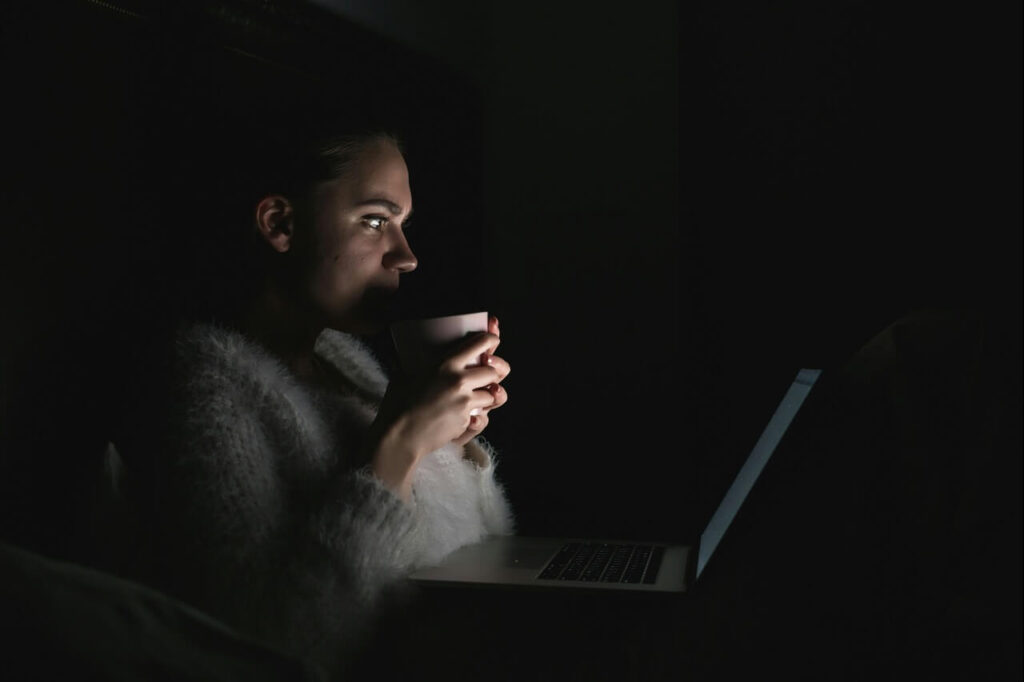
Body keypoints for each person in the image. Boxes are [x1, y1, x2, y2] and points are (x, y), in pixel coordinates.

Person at [105, 128, 514, 678]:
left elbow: (487, 551)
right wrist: (400, 446)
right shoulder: (204, 384)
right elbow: (278, 644)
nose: (407, 256)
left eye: (404, 226)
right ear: (280, 223)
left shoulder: (343, 359)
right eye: (376, 220)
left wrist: (452, 445)